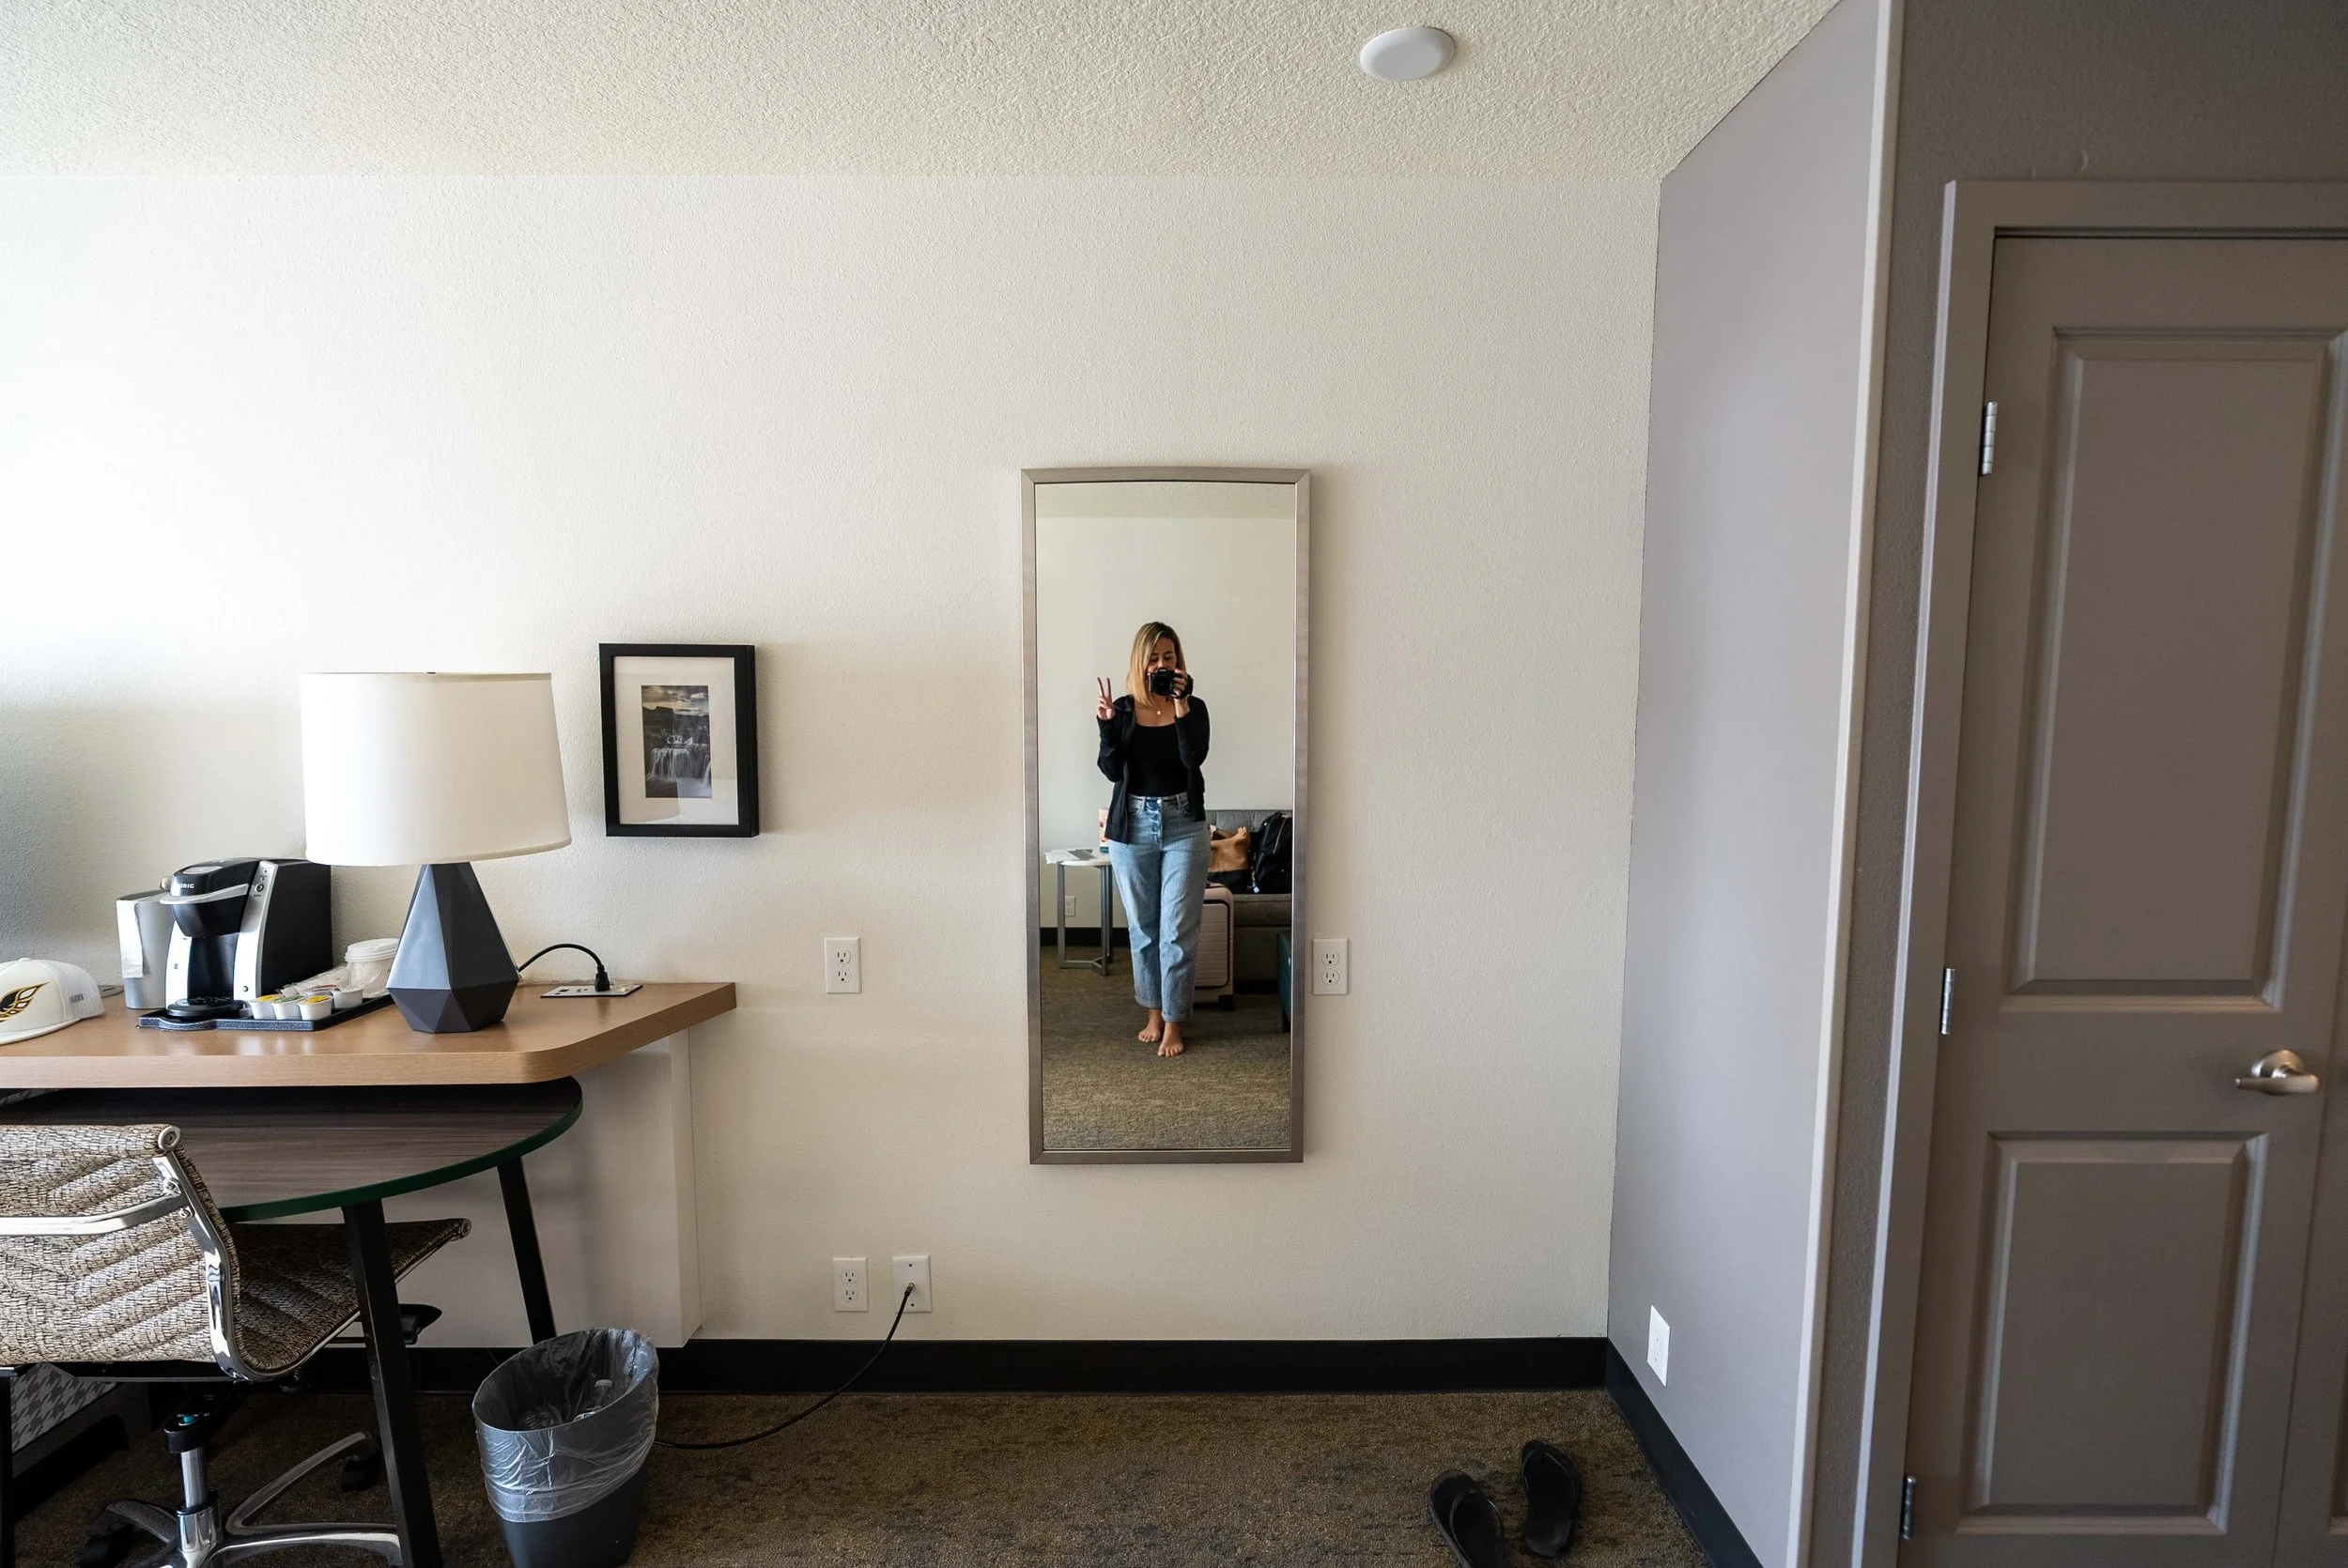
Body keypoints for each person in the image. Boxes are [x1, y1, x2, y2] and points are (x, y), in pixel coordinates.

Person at [1095, 622, 1212, 1057]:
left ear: (1178, 662)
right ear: (1139, 662)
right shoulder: (1122, 711)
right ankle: (1153, 1013)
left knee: (1177, 931)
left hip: (1184, 824)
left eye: (1169, 657)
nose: (1161, 665)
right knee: (1144, 930)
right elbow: (1110, 770)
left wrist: (1180, 704)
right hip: (1133, 826)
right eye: (1154, 658)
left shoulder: (1194, 707)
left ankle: (1175, 1023)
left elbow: (1192, 757)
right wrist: (1106, 726)